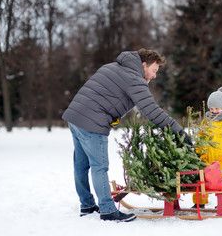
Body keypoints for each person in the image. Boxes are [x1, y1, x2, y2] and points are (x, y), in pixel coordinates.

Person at [62, 48, 192, 222]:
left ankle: (87, 205)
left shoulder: (113, 66)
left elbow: (103, 94)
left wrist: (113, 114)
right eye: (154, 71)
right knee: (99, 167)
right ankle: (108, 211)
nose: (154, 76)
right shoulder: (135, 79)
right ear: (144, 65)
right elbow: (152, 111)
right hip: (92, 122)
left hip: (75, 116)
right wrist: (178, 131)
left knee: (81, 165)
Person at [192, 86, 222, 209]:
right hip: (205, 157)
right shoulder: (206, 121)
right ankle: (199, 202)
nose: (213, 111)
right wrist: (197, 153)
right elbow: (200, 139)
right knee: (201, 180)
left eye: (216, 108)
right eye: (211, 108)